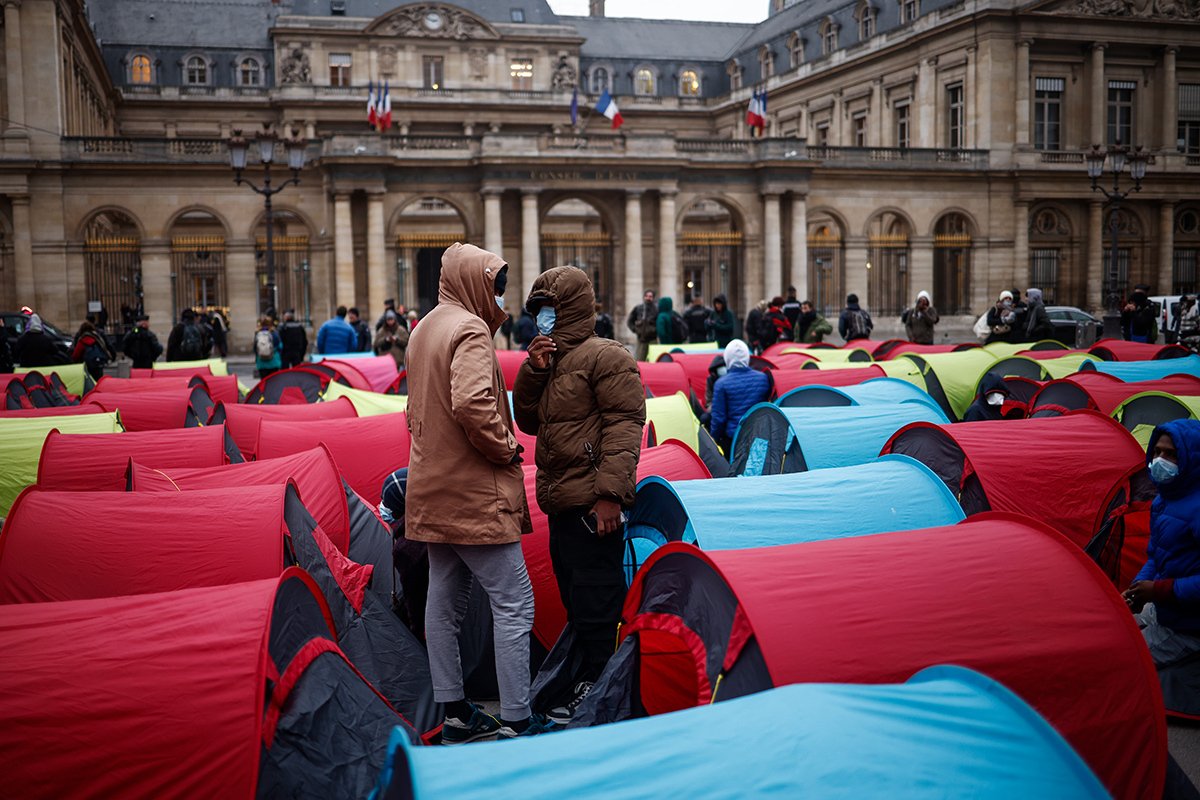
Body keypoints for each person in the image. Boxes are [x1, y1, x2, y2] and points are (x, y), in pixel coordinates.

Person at [405, 242, 553, 743]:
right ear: (473, 281)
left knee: (443, 603)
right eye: (493, 283)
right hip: (473, 492)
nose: (498, 294)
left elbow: (418, 408)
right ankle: (516, 715)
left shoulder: (425, 327)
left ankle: (454, 712)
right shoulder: (469, 329)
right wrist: (506, 447)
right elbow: (471, 403)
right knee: (514, 602)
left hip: (432, 487)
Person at [512, 265, 646, 723]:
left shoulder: (607, 357)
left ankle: (599, 682)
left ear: (570, 309)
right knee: (575, 594)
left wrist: (610, 495)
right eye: (539, 310)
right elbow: (528, 422)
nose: (543, 318)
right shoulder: (552, 359)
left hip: (593, 502)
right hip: (560, 500)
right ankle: (587, 675)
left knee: (597, 598)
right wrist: (533, 370)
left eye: (550, 309)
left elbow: (625, 427)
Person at [1125, 420, 1200, 674]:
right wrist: (1138, 588)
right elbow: (1156, 555)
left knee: (1123, 662)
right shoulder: (1164, 500)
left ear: (1191, 459)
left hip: (1188, 627)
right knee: (1112, 628)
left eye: (1171, 454)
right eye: (1157, 452)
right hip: (1165, 608)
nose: (1160, 460)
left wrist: (1159, 590)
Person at [708, 339, 771, 456]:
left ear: (727, 358)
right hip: (759, 436)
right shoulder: (763, 378)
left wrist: (714, 440)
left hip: (733, 439)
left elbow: (718, 419)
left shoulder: (721, 384)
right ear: (747, 357)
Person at [626, 289, 658, 361]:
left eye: (650, 296)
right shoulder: (638, 308)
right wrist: (636, 330)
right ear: (644, 297)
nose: (648, 298)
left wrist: (654, 330)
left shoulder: (656, 309)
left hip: (653, 339)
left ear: (653, 298)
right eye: (646, 296)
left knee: (653, 361)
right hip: (641, 339)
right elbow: (629, 321)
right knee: (640, 360)